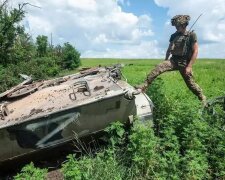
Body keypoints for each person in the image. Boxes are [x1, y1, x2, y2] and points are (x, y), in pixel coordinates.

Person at [136, 15, 206, 104]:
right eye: (175, 26)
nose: (176, 28)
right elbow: (169, 48)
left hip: (184, 63)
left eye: (178, 26)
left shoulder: (191, 35)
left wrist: (189, 66)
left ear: (184, 25)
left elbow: (195, 51)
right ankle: (143, 86)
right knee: (158, 68)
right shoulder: (174, 35)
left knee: (191, 84)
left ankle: (202, 98)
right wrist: (165, 60)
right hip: (174, 61)